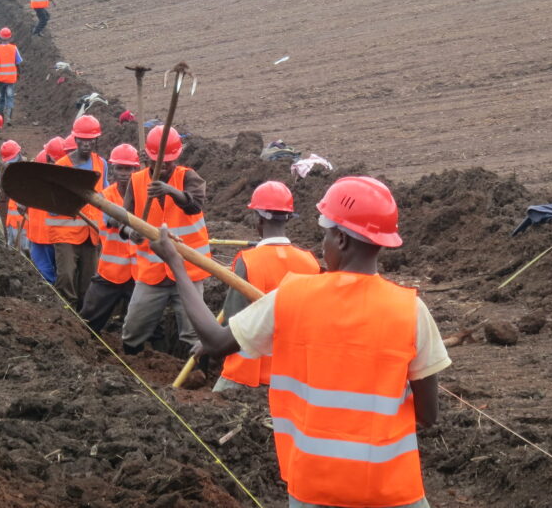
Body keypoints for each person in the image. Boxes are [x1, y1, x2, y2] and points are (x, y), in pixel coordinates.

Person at [149, 176, 451, 508]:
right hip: (392, 489)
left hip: (314, 484)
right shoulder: (411, 310)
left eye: (325, 235)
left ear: (341, 238)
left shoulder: (292, 296)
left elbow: (215, 340)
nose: (323, 245)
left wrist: (176, 263)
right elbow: (428, 415)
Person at [214, 181, 321, 393]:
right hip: (294, 375)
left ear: (258, 220)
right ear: (289, 217)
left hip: (247, 373)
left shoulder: (248, 260)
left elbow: (232, 320)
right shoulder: (310, 262)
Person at [120, 125, 210, 355]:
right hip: (152, 272)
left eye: (170, 161)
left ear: (177, 156)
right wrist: (131, 232)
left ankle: (197, 375)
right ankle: (132, 365)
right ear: (149, 158)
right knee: (133, 327)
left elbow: (194, 205)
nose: (165, 166)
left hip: (188, 271)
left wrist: (170, 191)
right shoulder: (136, 181)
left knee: (195, 332)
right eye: (160, 161)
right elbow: (123, 220)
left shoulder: (189, 177)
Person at [79, 143, 141, 334]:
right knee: (88, 322)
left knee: (148, 326)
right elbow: (112, 220)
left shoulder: (145, 194)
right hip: (110, 274)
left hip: (140, 274)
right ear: (112, 170)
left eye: (128, 168)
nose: (124, 173)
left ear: (136, 169)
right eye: (119, 168)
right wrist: (131, 231)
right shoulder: (104, 197)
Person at [49, 115, 108, 309]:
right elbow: (53, 203)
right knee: (66, 276)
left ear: (96, 140)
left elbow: (105, 196)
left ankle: (85, 319)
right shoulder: (62, 167)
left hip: (91, 234)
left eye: (90, 139)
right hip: (65, 233)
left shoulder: (101, 164)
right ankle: (67, 314)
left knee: (89, 282)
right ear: (75, 140)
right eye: (82, 139)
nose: (86, 143)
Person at [26, 136, 68, 282]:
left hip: (40, 231)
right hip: (52, 233)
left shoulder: (39, 163)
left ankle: (49, 296)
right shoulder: (60, 174)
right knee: (51, 270)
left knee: (43, 270)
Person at [0, 140, 28, 251]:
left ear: (19, 153)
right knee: (11, 247)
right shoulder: (8, 167)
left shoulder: (29, 169)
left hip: (23, 221)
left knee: (23, 250)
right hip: (11, 217)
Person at [0, 27, 22, 124]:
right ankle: (9, 118)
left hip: (0, 79)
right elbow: (18, 63)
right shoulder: (14, 48)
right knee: (10, 98)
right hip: (11, 79)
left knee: (1, 98)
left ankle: (1, 118)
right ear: (10, 37)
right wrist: (18, 73)